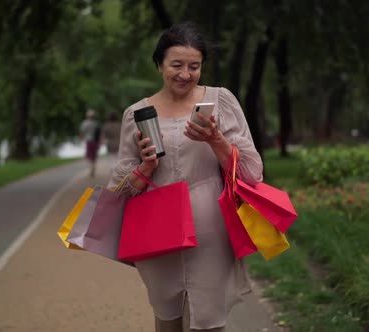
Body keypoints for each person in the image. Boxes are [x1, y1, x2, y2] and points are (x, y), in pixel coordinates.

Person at [107, 22, 263, 332]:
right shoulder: (136, 113)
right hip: (157, 232)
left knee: (209, 321)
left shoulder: (221, 101)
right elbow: (119, 189)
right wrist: (145, 167)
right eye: (176, 64)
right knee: (167, 320)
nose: (185, 74)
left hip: (211, 231)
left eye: (194, 66)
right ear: (160, 64)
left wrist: (216, 139)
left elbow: (252, 172)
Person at [79, 109, 101, 177]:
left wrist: (81, 139)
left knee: (90, 156)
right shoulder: (96, 123)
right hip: (95, 142)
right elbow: (99, 134)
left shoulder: (85, 123)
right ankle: (93, 168)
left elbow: (82, 132)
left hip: (88, 141)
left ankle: (91, 168)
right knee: (94, 157)